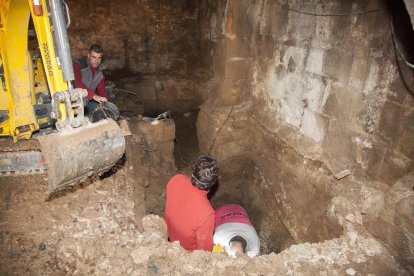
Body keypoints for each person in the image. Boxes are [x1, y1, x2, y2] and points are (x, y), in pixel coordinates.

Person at [164, 156, 219, 252]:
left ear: (193, 172)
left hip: (170, 239)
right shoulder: (206, 214)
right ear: (213, 183)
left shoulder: (176, 180)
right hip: (187, 255)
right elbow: (204, 252)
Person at [73, 44, 108, 118]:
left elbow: (102, 91)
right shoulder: (78, 65)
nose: (96, 61)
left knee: (99, 111)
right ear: (88, 55)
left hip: (88, 100)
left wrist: (106, 104)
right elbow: (76, 83)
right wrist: (94, 96)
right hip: (74, 100)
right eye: (94, 57)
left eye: (99, 58)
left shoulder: (100, 72)